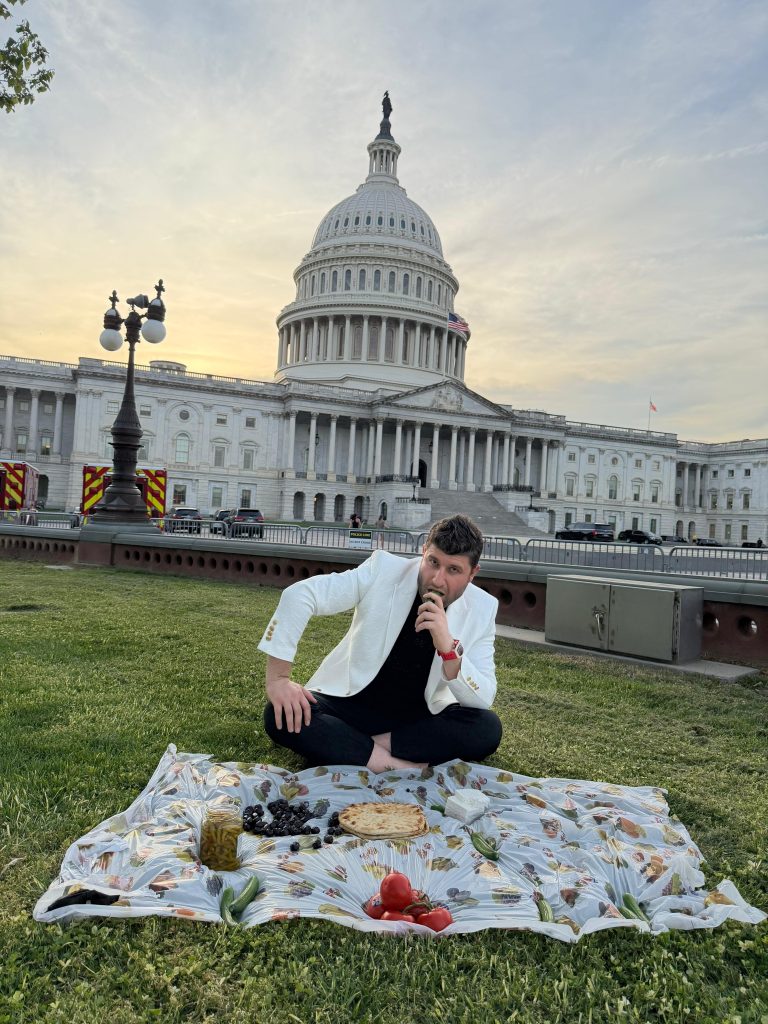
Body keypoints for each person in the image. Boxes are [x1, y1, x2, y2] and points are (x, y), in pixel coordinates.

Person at [259, 514, 502, 772]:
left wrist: (448, 650)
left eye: (453, 570)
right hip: (353, 704)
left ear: (473, 573)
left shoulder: (483, 608)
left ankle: (359, 749)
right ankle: (391, 764)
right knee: (279, 714)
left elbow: (483, 697)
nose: (437, 579)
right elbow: (300, 595)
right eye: (433, 562)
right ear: (423, 552)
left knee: (487, 728)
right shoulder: (383, 569)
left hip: (418, 721)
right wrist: (278, 680)